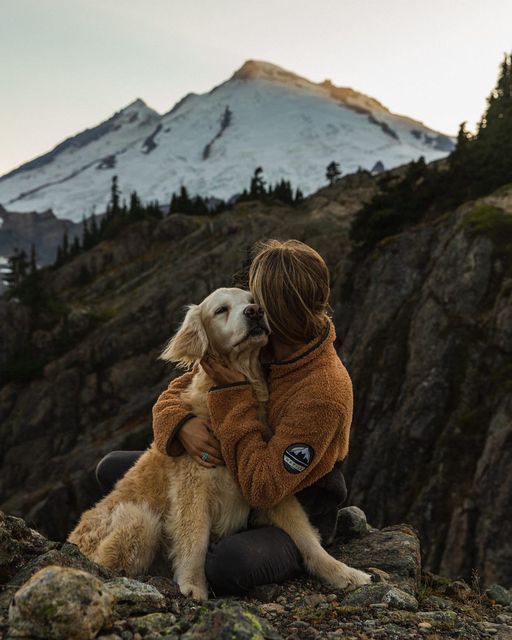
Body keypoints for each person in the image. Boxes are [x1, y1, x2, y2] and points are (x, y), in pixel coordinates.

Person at [96, 239, 352, 596]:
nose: (254, 309)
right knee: (111, 466)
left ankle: (286, 550)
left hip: (291, 496)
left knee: (227, 565)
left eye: (259, 301)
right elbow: (177, 390)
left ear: (286, 307)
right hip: (235, 469)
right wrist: (182, 426)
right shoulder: (263, 341)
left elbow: (263, 489)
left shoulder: (323, 392)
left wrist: (233, 396)